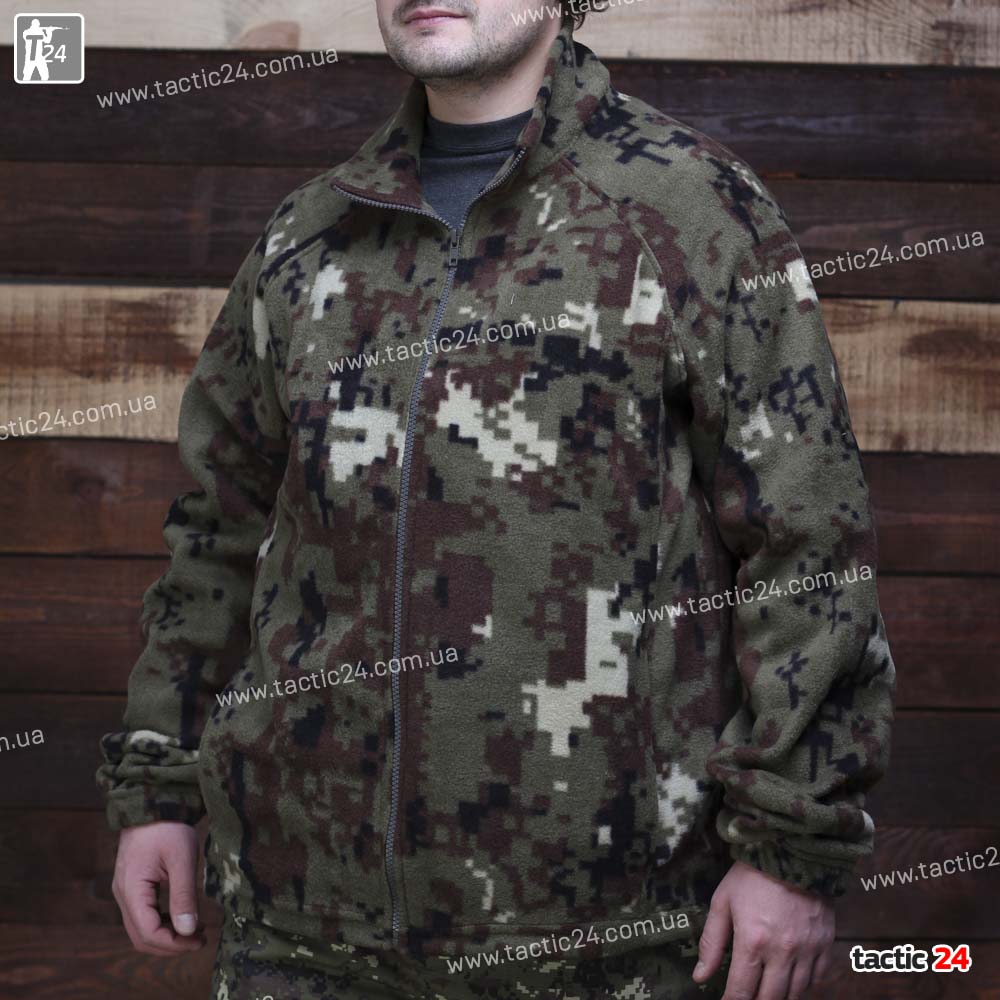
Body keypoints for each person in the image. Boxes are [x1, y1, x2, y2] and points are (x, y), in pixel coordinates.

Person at [97, 1, 897, 997]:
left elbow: (810, 540)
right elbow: (218, 532)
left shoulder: (689, 210)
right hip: (304, 929)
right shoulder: (309, 236)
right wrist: (160, 783)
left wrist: (791, 845)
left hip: (609, 937)